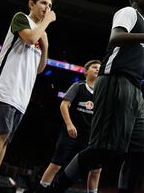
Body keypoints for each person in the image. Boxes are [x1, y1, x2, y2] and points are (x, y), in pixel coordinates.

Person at [42, 0, 144, 193]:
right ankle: (56, 188)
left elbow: (137, 72)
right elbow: (115, 38)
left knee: (139, 151)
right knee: (101, 149)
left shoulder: (143, 29)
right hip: (114, 83)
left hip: (134, 89)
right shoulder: (128, 12)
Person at [0, 0, 55, 193]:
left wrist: (46, 45)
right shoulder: (21, 18)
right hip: (7, 85)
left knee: (5, 139)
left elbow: (40, 67)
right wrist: (46, 24)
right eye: (44, 3)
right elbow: (29, 38)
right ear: (31, 4)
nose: (47, 8)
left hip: (23, 93)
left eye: (50, 6)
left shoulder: (41, 32)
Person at [39, 60, 102, 192]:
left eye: (99, 68)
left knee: (96, 170)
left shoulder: (102, 93)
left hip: (90, 136)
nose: (97, 70)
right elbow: (64, 105)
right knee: (56, 165)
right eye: (94, 67)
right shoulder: (78, 86)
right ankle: (41, 190)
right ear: (86, 72)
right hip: (71, 132)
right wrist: (69, 124)